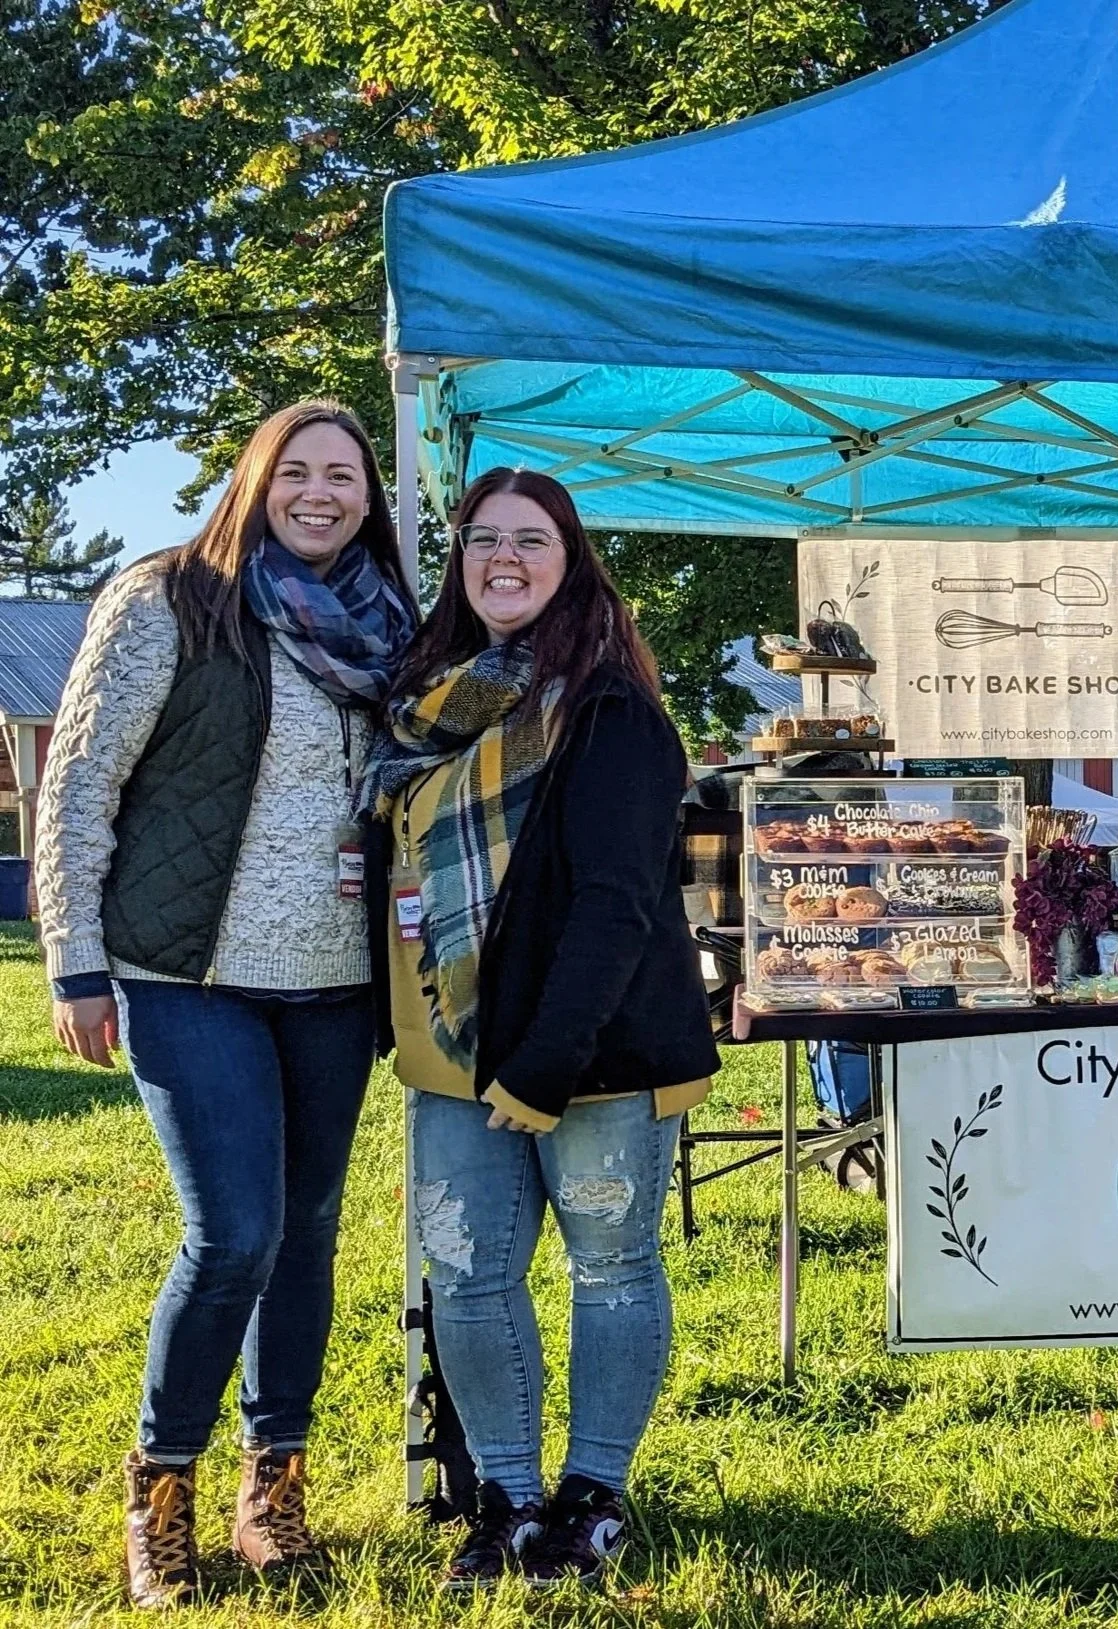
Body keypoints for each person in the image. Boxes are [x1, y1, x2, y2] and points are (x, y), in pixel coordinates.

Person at [36, 401, 418, 1609]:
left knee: (306, 1235)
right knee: (235, 1234)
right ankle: (160, 1495)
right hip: (185, 973)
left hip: (335, 982)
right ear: (255, 480)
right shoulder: (170, 599)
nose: (320, 493)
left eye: (343, 475)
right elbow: (79, 782)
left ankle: (274, 1489)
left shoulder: (392, 626)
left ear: (368, 497)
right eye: (296, 471)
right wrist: (73, 961)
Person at [361, 468, 718, 1590]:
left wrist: (546, 1063)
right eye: (482, 540)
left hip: (592, 1055)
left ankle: (591, 1497)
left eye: (530, 540)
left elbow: (616, 904)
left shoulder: (610, 713)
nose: (503, 559)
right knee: (468, 1273)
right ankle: (507, 1500)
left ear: (571, 561)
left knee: (609, 1266)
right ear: (459, 562)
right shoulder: (428, 707)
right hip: (450, 1054)